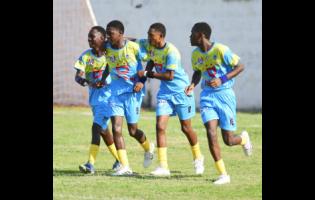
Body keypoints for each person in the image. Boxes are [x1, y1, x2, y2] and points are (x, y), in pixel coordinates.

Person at [185, 22, 253, 184]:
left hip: (225, 96)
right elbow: (197, 72)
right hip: (207, 96)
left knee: (228, 140)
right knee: (210, 131)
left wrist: (222, 79)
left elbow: (240, 66)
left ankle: (243, 139)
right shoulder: (195, 54)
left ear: (201, 35)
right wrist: (192, 84)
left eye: (192, 33)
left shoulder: (221, 50)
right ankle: (223, 174)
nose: (189, 36)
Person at [136, 22, 205, 176]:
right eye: (148, 35)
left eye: (151, 36)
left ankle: (198, 157)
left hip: (181, 92)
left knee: (186, 128)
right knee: (160, 126)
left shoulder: (171, 51)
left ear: (161, 36)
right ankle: (163, 167)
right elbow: (149, 57)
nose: (148, 39)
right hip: (165, 94)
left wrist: (147, 74)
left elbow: (169, 76)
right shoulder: (151, 46)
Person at [102, 20, 155, 176]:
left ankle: (148, 147)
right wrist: (103, 78)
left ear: (120, 33)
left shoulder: (134, 47)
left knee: (132, 131)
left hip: (133, 92)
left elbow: (150, 61)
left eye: (110, 33)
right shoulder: (107, 48)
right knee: (116, 128)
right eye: (107, 33)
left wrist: (142, 80)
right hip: (115, 93)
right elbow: (107, 65)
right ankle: (125, 166)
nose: (108, 36)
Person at [74, 26, 121, 174]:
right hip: (95, 99)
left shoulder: (110, 53)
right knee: (103, 130)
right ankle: (120, 160)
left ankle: (90, 164)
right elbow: (78, 76)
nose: (89, 40)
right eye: (88, 37)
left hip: (108, 98)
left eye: (92, 37)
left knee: (96, 128)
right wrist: (87, 82)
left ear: (102, 38)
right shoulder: (86, 56)